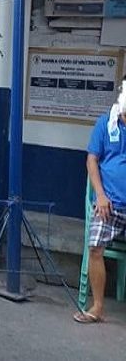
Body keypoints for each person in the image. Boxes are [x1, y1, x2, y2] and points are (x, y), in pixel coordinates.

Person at [73, 77, 126, 324]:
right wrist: (101, 196)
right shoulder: (106, 124)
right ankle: (97, 308)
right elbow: (91, 160)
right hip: (109, 205)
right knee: (95, 247)